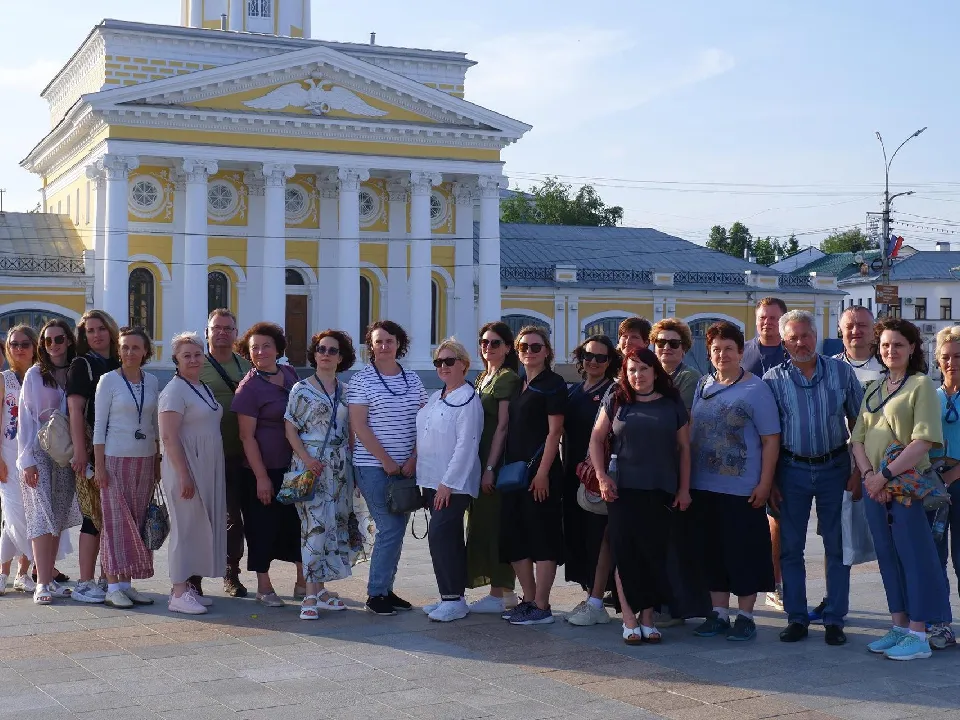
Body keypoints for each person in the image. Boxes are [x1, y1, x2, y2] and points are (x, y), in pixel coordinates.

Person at [852, 318, 951, 661]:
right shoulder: (874, 388)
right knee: (887, 557)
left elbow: (924, 440)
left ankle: (919, 633)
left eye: (898, 344)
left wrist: (884, 475)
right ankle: (899, 625)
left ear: (912, 348)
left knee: (915, 557)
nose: (890, 350)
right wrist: (869, 476)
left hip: (907, 487)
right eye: (885, 345)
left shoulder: (921, 385)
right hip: (875, 487)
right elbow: (858, 439)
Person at [762, 310, 863, 646]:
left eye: (805, 335)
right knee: (791, 548)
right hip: (791, 470)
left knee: (837, 546)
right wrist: (770, 480)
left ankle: (834, 618)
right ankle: (796, 617)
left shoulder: (841, 372)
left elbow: (860, 424)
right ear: (784, 342)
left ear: (815, 336)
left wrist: (859, 471)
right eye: (793, 338)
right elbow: (768, 435)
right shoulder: (772, 379)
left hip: (835, 467)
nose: (800, 343)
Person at [592, 349, 691, 644]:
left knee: (653, 554)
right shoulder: (617, 398)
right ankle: (629, 618)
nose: (638, 375)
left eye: (643, 369)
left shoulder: (671, 402)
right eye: (632, 370)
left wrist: (684, 488)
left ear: (655, 371)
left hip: (660, 489)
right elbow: (596, 437)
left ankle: (648, 617)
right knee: (625, 553)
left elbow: (684, 448)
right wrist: (601, 476)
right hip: (621, 489)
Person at [690, 321, 780, 641]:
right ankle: (718, 613)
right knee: (712, 551)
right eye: (716, 349)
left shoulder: (757, 389)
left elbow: (771, 440)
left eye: (729, 348)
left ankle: (745, 616)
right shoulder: (703, 385)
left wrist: (765, 483)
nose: (722, 354)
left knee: (742, 552)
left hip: (742, 489)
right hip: (703, 485)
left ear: (741, 352)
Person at [809, 305, 884, 624]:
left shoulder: (886, 366)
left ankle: (906, 608)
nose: (856, 331)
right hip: (840, 464)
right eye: (849, 326)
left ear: (873, 330)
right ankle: (833, 600)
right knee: (835, 539)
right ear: (840, 330)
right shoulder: (828, 368)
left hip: (885, 464)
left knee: (889, 538)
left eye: (862, 325)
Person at [348, 320, 427, 616]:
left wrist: (414, 458)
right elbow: (359, 426)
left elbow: (424, 422)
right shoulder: (361, 380)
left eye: (389, 341)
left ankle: (386, 589)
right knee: (389, 528)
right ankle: (375, 594)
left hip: (406, 469)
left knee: (397, 529)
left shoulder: (413, 379)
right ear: (371, 346)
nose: (384, 346)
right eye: (378, 341)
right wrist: (386, 461)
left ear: (399, 344)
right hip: (373, 466)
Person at [284, 330, 356, 620]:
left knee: (333, 526)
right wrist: (307, 459)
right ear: (314, 355)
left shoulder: (346, 390)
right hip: (311, 465)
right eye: (321, 349)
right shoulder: (301, 389)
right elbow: (290, 428)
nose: (326, 354)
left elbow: (350, 431)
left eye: (332, 350)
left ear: (341, 357)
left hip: (338, 467)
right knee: (314, 527)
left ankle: (322, 591)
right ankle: (310, 595)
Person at [500, 326, 567, 626]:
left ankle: (542, 605)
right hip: (514, 473)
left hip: (541, 473)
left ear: (547, 351)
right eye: (524, 347)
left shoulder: (553, 384)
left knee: (542, 537)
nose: (529, 351)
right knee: (515, 535)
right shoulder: (518, 384)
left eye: (536, 347)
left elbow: (554, 433)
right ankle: (528, 600)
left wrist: (542, 473)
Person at [233, 322, 303, 607]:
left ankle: (303, 583)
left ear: (277, 349)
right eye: (255, 348)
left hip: (293, 467)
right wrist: (261, 477)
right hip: (262, 469)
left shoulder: (289, 374)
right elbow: (246, 436)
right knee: (262, 528)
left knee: (297, 525)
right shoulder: (248, 387)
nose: (260, 352)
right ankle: (264, 587)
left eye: (266, 346)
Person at [159, 332, 227, 614]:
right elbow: (168, 437)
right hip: (185, 466)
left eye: (197, 354)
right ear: (176, 359)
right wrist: (183, 474)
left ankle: (187, 588)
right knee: (184, 528)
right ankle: (177, 592)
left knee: (198, 526)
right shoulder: (173, 391)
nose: (193, 359)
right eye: (186, 355)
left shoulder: (202, 387)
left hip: (207, 465)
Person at [92, 326, 160, 609]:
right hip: (115, 459)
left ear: (145, 351)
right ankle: (111, 585)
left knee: (137, 521)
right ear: (119, 351)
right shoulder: (108, 380)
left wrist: (157, 460)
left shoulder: (152, 381)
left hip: (144, 459)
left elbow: (155, 424)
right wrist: (99, 466)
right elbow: (99, 426)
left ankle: (126, 584)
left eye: (135, 347)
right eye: (125, 347)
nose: (130, 352)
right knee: (115, 523)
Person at [18, 319, 83, 604]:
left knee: (57, 515)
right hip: (40, 452)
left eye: (58, 339)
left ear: (68, 340)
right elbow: (25, 419)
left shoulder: (77, 371)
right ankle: (41, 582)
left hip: (67, 452)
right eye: (47, 340)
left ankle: (49, 578)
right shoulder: (35, 374)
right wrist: (26, 460)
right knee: (41, 516)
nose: (53, 345)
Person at [418, 339, 483, 622]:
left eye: (449, 361)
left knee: (441, 537)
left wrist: (448, 483)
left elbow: (467, 445)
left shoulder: (468, 399)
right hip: (432, 480)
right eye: (438, 362)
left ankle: (453, 599)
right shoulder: (438, 396)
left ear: (464, 365)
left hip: (452, 485)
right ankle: (451, 596)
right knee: (446, 538)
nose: (442, 367)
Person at [564, 334, 620, 627]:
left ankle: (597, 599)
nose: (593, 362)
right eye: (588, 356)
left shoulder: (613, 390)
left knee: (598, 537)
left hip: (597, 475)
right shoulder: (574, 390)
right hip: (572, 472)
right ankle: (589, 596)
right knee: (579, 536)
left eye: (600, 357)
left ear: (610, 361)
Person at [466, 321, 521, 614]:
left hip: (494, 460)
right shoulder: (483, 377)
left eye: (495, 343)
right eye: (484, 342)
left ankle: (499, 591)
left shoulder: (507, 378)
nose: (488, 347)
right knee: (482, 524)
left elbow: (502, 426)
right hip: (478, 459)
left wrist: (490, 467)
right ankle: (506, 593)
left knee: (495, 526)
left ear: (508, 348)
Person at [67, 309, 121, 604]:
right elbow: (75, 410)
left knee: (112, 517)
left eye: (101, 329)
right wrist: (79, 450)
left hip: (120, 448)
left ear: (110, 330)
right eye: (90, 330)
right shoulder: (83, 364)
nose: (96, 335)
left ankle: (107, 578)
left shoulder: (120, 361)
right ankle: (84, 582)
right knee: (93, 516)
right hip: (91, 449)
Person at [200, 308, 252, 598]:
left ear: (235, 334)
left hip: (237, 454)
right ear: (207, 332)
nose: (221, 332)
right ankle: (193, 577)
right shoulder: (196, 364)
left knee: (234, 519)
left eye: (227, 328)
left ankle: (231, 573)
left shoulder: (245, 366)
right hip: (203, 456)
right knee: (199, 518)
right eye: (216, 328)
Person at [741, 296, 788, 611]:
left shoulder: (792, 350)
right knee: (739, 521)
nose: (767, 323)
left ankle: (776, 583)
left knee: (777, 521)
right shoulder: (743, 352)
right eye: (762, 318)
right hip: (744, 450)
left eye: (773, 318)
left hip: (782, 448)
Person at [0, 326, 39, 593]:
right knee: (13, 514)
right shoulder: (4, 379)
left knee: (32, 514)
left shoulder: (41, 377)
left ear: (35, 346)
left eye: (25, 344)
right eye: (14, 344)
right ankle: (3, 572)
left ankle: (23, 573)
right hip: (8, 454)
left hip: (35, 456)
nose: (19, 349)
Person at [929, 326, 960, 649]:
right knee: (934, 558)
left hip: (958, 482)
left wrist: (954, 475)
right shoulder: (931, 396)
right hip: (933, 486)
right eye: (946, 357)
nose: (951, 363)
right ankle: (940, 625)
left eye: (958, 356)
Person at [651, 319, 701, 411]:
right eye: (661, 342)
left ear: (684, 348)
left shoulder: (690, 377)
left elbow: (684, 414)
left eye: (674, 344)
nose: (666, 347)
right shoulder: (648, 372)